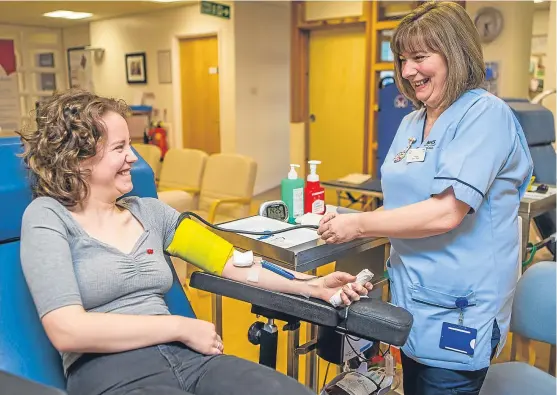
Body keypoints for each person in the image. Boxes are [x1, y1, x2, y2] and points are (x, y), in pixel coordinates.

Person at [17, 88, 372, 395]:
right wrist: (179, 326)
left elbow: (232, 261)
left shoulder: (151, 212)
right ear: (77, 159)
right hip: (109, 369)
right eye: (119, 147)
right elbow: (67, 330)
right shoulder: (48, 217)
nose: (133, 158)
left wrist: (314, 286)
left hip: (188, 358)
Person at [317, 2, 533, 394]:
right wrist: (346, 221)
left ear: (455, 53)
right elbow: (401, 206)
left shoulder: (485, 116)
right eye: (402, 59)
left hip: (459, 308)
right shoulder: (412, 123)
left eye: (420, 57)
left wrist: (359, 223)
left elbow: (446, 212)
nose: (407, 70)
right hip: (410, 301)